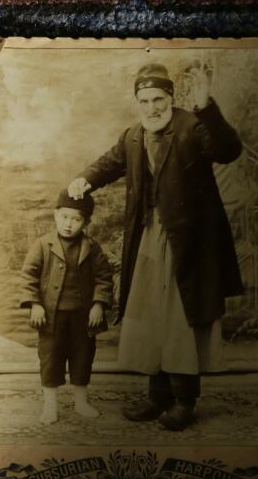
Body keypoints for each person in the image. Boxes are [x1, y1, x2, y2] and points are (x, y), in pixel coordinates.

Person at [67, 61, 243, 430]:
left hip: (189, 243)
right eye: (144, 100)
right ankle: (157, 396)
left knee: (180, 318)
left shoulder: (192, 124)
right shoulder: (133, 135)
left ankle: (184, 401)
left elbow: (228, 150)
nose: (152, 108)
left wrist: (206, 104)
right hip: (148, 237)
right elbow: (109, 163)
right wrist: (84, 179)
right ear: (137, 102)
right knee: (148, 315)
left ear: (171, 97)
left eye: (158, 99)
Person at [19, 190, 113, 424]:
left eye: (76, 219)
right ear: (55, 215)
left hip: (83, 317)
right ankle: (50, 406)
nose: (69, 224)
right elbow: (28, 277)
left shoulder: (92, 248)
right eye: (64, 217)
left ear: (86, 222)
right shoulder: (42, 245)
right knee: (51, 359)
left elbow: (103, 277)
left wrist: (98, 304)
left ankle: (81, 403)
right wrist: (35, 304)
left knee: (83, 357)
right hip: (51, 316)